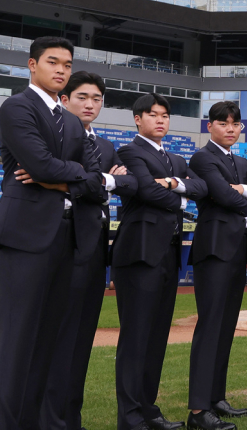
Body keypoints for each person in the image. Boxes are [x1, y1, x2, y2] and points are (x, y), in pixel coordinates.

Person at [0, 37, 105, 430]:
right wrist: (67, 175)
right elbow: (40, 166)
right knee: (17, 343)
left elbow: (96, 182)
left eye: (66, 64)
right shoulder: (15, 108)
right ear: (32, 65)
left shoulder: (73, 121)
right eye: (52, 62)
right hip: (26, 238)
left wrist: (62, 182)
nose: (61, 70)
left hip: (67, 237)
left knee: (47, 343)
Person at [39, 71, 136, 430]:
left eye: (96, 98)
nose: (90, 104)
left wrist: (100, 180)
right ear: (64, 100)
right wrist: (101, 181)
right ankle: (48, 418)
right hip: (62, 242)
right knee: (58, 334)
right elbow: (83, 184)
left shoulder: (107, 145)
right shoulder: (54, 135)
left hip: (95, 245)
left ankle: (71, 417)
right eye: (82, 97)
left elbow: (128, 182)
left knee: (82, 337)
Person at [114, 93, 207, 430]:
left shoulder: (175, 159)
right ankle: (130, 417)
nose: (160, 120)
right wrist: (181, 200)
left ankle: (148, 410)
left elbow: (201, 186)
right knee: (136, 337)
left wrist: (172, 183)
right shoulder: (129, 151)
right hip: (139, 252)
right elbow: (143, 190)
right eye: (153, 115)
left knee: (156, 338)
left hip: (168, 253)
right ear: (137, 119)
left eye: (165, 115)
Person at [187, 101, 247, 430]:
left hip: (238, 252)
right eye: (223, 123)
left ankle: (215, 398)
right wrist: (246, 193)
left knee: (225, 328)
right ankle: (198, 410)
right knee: (210, 327)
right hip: (214, 250)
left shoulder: (241, 160)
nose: (230, 128)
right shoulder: (202, 158)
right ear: (210, 126)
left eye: (235, 124)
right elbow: (225, 197)